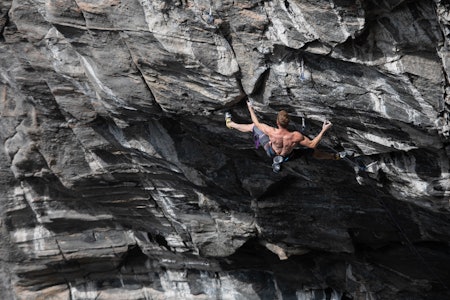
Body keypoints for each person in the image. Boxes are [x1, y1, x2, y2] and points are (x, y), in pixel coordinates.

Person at [225, 100, 342, 171]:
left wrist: (250, 108)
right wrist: (323, 130)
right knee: (313, 152)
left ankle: (230, 124)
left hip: (271, 151)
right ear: (289, 122)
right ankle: (334, 157)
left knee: (252, 127)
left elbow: (256, 123)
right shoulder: (295, 136)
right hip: (288, 155)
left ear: (277, 122)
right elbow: (312, 144)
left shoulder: (271, 131)